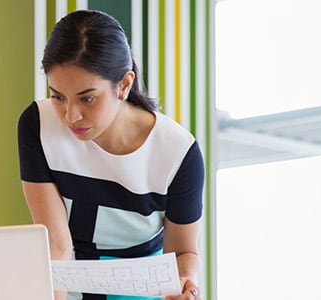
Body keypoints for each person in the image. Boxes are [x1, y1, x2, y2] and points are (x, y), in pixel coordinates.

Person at [18, 10, 204, 300]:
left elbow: (183, 252)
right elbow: (56, 245)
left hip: (143, 290)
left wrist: (186, 284)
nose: (70, 115)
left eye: (87, 98)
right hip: (64, 282)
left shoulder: (178, 153)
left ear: (124, 85)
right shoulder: (38, 125)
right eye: (58, 96)